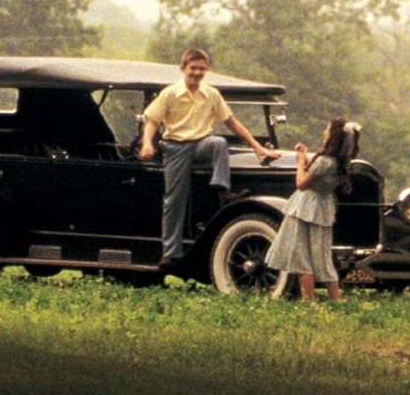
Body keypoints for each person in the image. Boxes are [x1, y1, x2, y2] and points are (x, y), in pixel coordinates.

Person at [139, 48, 280, 269]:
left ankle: (224, 192)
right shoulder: (169, 93)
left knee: (219, 143)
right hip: (176, 146)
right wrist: (147, 143)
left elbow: (231, 121)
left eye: (201, 69)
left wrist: (257, 147)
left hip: (202, 144)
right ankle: (170, 252)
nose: (197, 73)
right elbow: (152, 121)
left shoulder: (211, 94)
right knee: (174, 199)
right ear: (183, 68)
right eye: (193, 68)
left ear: (207, 70)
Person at [264, 117, 361, 301]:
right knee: (322, 256)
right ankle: (335, 300)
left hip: (304, 208)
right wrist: (307, 157)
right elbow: (318, 176)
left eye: (327, 129)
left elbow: (301, 183)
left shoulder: (323, 161)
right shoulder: (340, 163)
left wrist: (300, 162)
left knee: (301, 257)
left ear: (333, 137)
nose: (324, 132)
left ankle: (308, 300)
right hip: (323, 208)